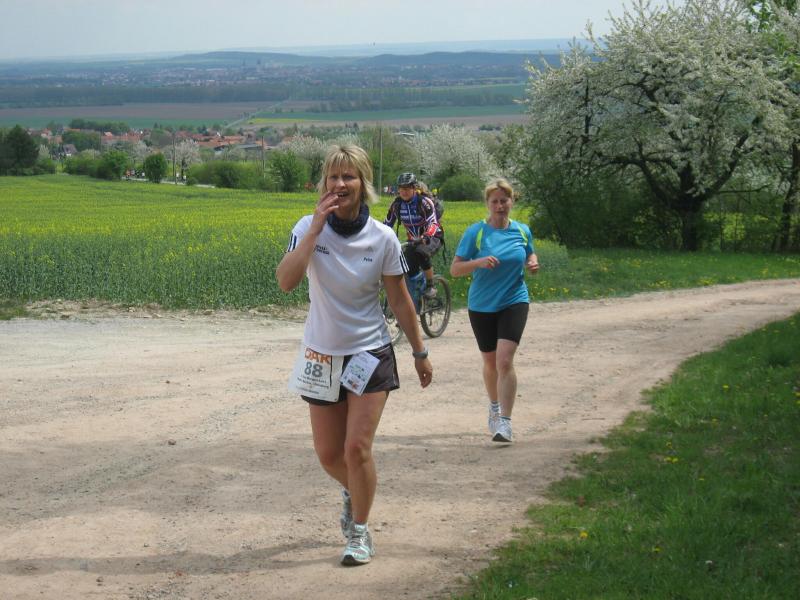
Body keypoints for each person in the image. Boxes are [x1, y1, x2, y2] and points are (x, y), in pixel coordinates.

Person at [276, 144, 433, 566]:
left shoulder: (382, 238)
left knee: (356, 448)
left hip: (368, 353)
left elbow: (399, 300)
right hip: (321, 356)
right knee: (329, 455)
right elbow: (286, 282)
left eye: (349, 176)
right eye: (333, 176)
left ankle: (360, 533)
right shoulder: (306, 227)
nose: (340, 184)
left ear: (364, 184)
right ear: (324, 183)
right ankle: (354, 490)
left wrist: (420, 351)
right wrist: (314, 231)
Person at [449, 178, 539, 443]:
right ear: (487, 204)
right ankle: (495, 407)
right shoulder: (476, 233)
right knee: (490, 363)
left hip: (514, 300)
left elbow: (530, 253)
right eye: (495, 201)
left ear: (512, 201)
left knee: (504, 361)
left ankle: (505, 423)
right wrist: (477, 262)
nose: (500, 206)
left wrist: (533, 263)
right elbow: (455, 269)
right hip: (481, 304)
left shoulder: (522, 231)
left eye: (504, 200)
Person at [383, 172, 444, 299]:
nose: (404, 191)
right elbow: (387, 224)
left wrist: (426, 236)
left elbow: (433, 223)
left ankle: (430, 285)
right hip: (413, 240)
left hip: (432, 236)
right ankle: (415, 297)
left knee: (421, 252)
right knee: (405, 267)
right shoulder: (396, 205)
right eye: (401, 188)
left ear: (414, 188)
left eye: (407, 188)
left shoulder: (424, 202)